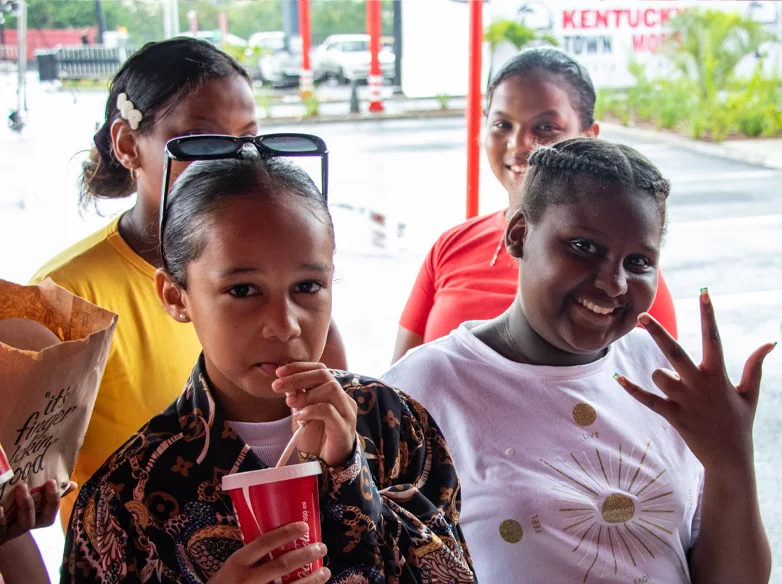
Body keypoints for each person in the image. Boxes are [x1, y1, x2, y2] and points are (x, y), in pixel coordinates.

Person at [60, 149, 476, 584]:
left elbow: (456, 571)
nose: (284, 325)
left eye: (308, 286)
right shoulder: (127, 494)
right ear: (174, 296)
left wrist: (349, 473)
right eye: (242, 290)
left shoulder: (394, 423)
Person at [383, 138, 773, 583]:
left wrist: (732, 459)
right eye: (584, 247)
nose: (613, 282)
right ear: (519, 235)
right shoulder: (421, 390)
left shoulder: (662, 376)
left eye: (639, 261)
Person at [29, 37, 347, 529]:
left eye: (248, 141)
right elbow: (19, 499)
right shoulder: (66, 299)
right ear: (128, 144)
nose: (234, 163)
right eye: (201, 142)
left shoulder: (282, 287)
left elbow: (341, 427)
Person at [393, 47, 677, 363]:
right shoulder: (450, 246)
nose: (519, 145)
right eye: (502, 125)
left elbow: (653, 392)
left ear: (588, 137)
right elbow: (395, 396)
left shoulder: (624, 281)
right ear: (518, 235)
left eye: (545, 128)